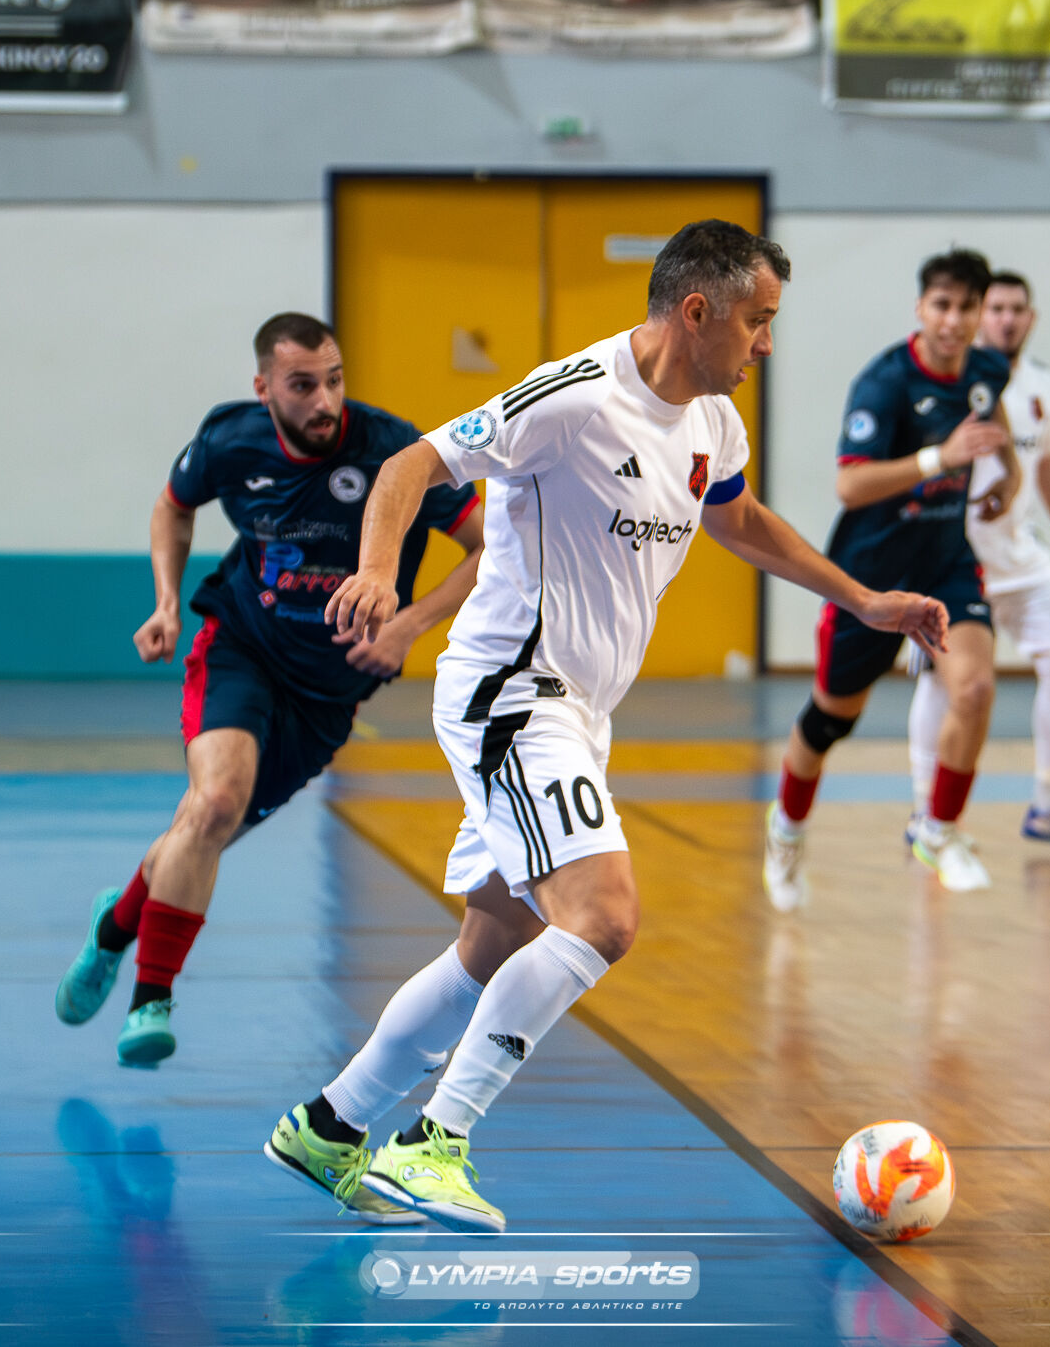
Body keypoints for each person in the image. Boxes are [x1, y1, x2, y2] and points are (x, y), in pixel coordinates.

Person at [263, 220, 947, 1233]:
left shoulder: (713, 421)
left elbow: (737, 519)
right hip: (512, 693)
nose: (766, 344)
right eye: (757, 322)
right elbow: (411, 465)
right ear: (695, 311)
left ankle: (332, 1125)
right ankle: (432, 1143)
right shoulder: (571, 398)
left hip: (577, 714)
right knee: (603, 917)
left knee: (493, 942)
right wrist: (374, 570)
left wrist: (864, 601)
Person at [52, 314, 485, 1113]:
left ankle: (113, 929)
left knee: (205, 828)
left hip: (329, 691)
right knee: (215, 802)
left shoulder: (395, 451)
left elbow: (488, 544)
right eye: (302, 385)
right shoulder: (232, 440)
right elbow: (171, 507)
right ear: (264, 388)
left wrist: (410, 625)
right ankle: (152, 998)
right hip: (241, 646)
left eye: (334, 379)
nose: (324, 399)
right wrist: (165, 603)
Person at [763, 248, 1019, 908]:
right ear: (920, 308)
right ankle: (786, 829)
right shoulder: (885, 382)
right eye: (943, 305)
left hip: (945, 563)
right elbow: (850, 484)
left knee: (976, 686)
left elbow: (993, 421)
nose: (955, 320)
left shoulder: (988, 367)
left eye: (968, 307)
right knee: (828, 722)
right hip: (870, 578)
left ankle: (938, 829)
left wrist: (1009, 472)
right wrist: (940, 457)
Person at [906, 272, 1050, 848]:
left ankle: (1048, 805)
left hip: (1022, 557)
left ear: (1032, 317)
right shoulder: (953, 380)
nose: (1006, 319)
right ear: (980, 317)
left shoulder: (1039, 384)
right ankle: (927, 813)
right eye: (995, 308)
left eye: (1016, 309)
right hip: (956, 559)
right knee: (942, 685)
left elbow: (1046, 468)